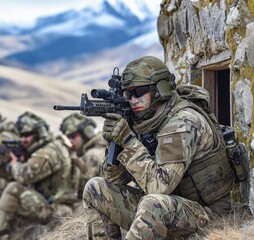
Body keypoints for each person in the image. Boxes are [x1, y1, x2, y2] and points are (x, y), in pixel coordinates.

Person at [83, 56, 234, 239]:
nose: (133, 100)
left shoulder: (183, 122)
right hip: (169, 208)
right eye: (128, 94)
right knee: (95, 188)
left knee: (152, 203)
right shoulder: (146, 120)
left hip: (206, 214)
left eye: (139, 92)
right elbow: (114, 179)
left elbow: (159, 188)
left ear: (159, 90)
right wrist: (115, 143)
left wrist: (128, 141)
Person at [0, 111, 75, 240]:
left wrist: (15, 163)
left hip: (59, 210)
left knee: (14, 188)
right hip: (53, 203)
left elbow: (24, 176)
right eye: (21, 136)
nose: (23, 140)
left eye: (27, 135)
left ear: (39, 133)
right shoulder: (50, 147)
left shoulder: (48, 152)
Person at [60, 113, 106, 198]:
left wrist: (76, 162)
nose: (71, 141)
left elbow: (85, 189)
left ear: (86, 132)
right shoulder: (99, 149)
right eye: (69, 138)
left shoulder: (92, 154)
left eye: (73, 136)